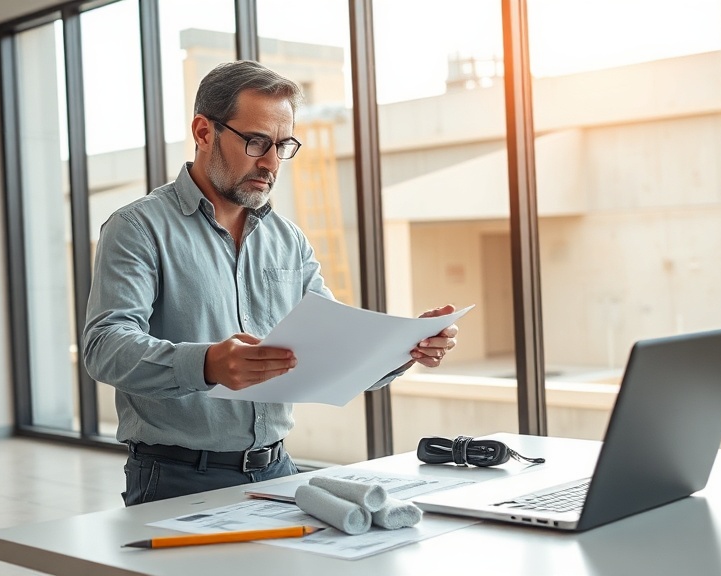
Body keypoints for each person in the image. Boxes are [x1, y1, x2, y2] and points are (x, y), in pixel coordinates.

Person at [83, 60, 459, 506]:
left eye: (283, 145)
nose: (271, 162)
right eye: (257, 141)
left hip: (278, 470)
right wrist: (207, 364)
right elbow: (104, 347)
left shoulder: (288, 239)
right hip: (176, 477)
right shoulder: (136, 227)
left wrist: (405, 347)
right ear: (204, 132)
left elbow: (334, 348)